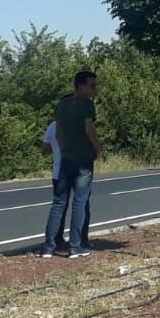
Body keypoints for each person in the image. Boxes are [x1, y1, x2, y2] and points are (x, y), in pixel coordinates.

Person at [41, 71, 103, 259]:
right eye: (91, 86)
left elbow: (58, 131)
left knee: (59, 201)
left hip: (65, 158)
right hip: (83, 158)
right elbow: (89, 129)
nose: (94, 89)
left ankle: (49, 247)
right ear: (80, 86)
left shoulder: (62, 104)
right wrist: (97, 150)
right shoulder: (86, 105)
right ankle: (76, 246)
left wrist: (64, 148)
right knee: (80, 201)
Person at [39, 112, 78, 252]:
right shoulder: (77, 124)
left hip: (58, 171)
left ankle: (52, 242)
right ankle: (78, 242)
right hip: (77, 169)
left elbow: (45, 148)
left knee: (58, 206)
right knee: (80, 204)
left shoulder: (53, 126)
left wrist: (55, 150)